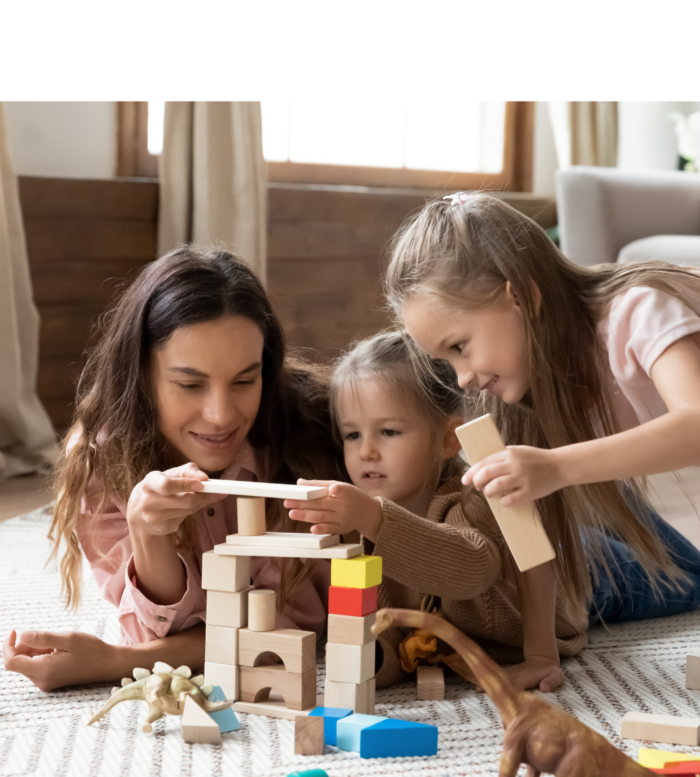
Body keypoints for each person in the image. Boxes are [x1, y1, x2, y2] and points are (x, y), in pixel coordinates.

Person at [376, 191, 700, 685]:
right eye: (447, 361)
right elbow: (533, 530)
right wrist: (542, 653)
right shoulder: (524, 393)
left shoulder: (639, 308)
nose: (462, 377)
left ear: (522, 297)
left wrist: (556, 467)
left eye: (460, 346)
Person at [3, 246, 345, 692]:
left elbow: (278, 632)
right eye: (189, 384)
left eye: (245, 381)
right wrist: (148, 535)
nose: (221, 414)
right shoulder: (103, 463)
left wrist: (115, 662)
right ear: (142, 373)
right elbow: (157, 631)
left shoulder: (310, 438)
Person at [286, 330, 588, 692]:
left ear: (448, 439)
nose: (366, 451)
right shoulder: (355, 524)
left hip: (573, 588)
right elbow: (391, 637)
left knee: (652, 571)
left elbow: (471, 569)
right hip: (469, 634)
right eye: (352, 435)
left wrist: (375, 519)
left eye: (389, 432)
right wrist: (373, 661)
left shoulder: (471, 499)